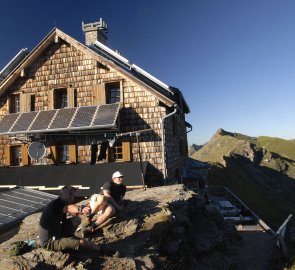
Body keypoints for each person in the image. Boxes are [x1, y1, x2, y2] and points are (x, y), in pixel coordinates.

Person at [38, 185, 101, 252]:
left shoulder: (61, 203)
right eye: (69, 194)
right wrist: (81, 209)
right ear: (61, 194)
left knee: (76, 219)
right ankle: (101, 250)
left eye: (73, 195)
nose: (71, 196)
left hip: (58, 233)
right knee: (83, 242)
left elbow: (65, 216)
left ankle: (69, 239)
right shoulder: (57, 204)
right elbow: (68, 208)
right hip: (50, 242)